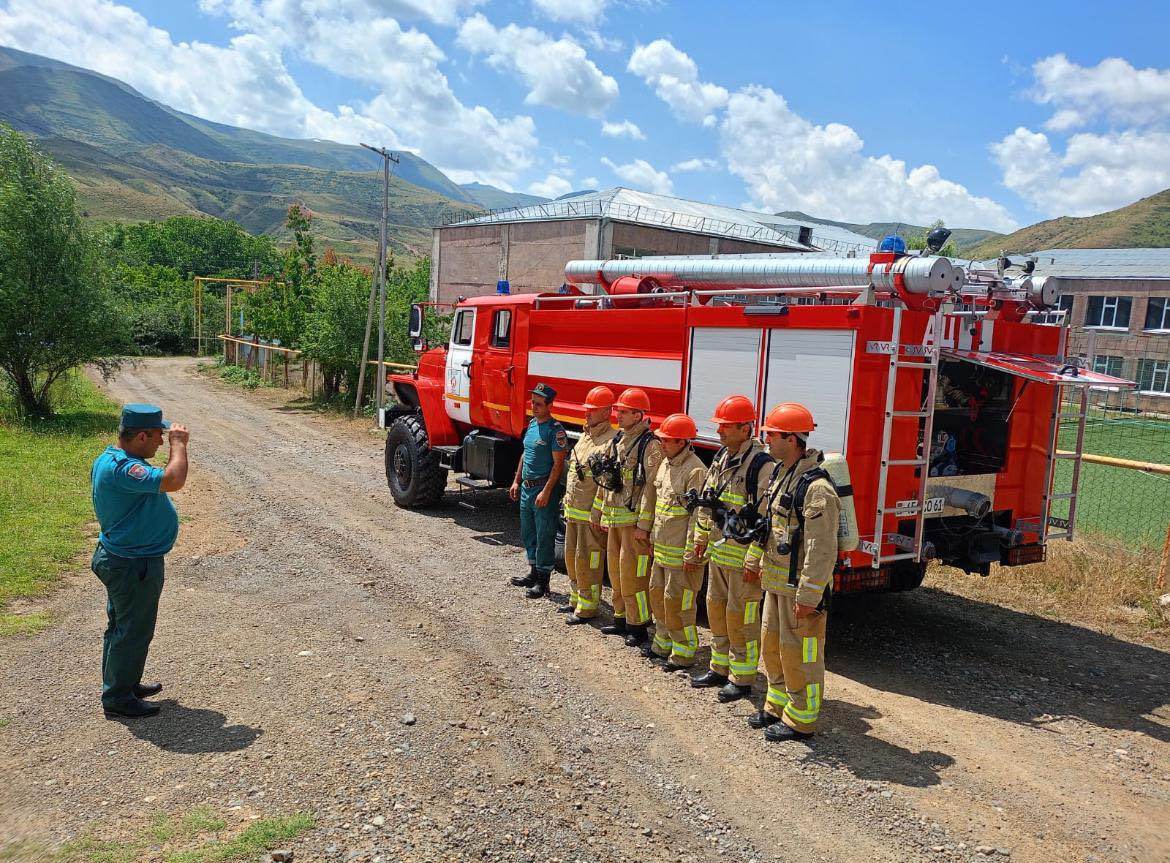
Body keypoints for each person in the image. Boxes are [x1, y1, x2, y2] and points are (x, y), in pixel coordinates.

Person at [744, 403, 840, 742]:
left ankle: (802, 720)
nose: (766, 438)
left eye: (772, 433)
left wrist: (810, 595)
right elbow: (769, 527)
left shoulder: (817, 489)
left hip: (799, 589)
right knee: (773, 645)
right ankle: (776, 706)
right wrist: (755, 559)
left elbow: (822, 549)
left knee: (801, 653)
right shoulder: (781, 474)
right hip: (776, 581)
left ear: (791, 438)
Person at [90, 403, 189, 718]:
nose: (162, 442)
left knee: (122, 626)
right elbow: (173, 479)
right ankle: (118, 697)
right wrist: (179, 445)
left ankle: (124, 683)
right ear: (143, 436)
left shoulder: (114, 460)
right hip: (132, 564)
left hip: (125, 560)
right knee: (132, 630)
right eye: (160, 436)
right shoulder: (124, 468)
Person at [688, 395, 773, 704]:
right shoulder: (723, 457)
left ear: (745, 428)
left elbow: (767, 519)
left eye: (726, 426)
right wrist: (700, 537)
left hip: (743, 561)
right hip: (719, 554)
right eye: (720, 426)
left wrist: (755, 557)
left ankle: (742, 678)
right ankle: (719, 667)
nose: (720, 431)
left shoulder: (762, 466)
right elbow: (708, 500)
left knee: (742, 619)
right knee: (716, 611)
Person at [590, 387, 664, 648]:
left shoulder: (650, 445)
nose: (618, 416)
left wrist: (644, 525)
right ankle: (621, 618)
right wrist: (597, 509)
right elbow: (604, 479)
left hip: (633, 524)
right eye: (618, 411)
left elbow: (652, 488)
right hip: (614, 520)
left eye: (624, 412)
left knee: (634, 576)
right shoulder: (618, 440)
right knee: (617, 573)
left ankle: (639, 624)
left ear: (639, 414)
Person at [639, 413, 707, 669]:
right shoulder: (667, 464)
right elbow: (659, 505)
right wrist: (650, 535)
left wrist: (692, 553)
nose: (662, 444)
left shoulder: (696, 470)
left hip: (682, 553)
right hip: (663, 549)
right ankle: (662, 644)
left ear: (681, 442)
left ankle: (683, 653)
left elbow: (699, 516)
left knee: (680, 604)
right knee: (658, 596)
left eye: (667, 440)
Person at [562, 386, 618, 624]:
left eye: (592, 410)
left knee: (588, 559)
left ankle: (588, 606)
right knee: (571, 557)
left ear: (606, 412)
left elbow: (606, 482)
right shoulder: (586, 436)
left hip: (589, 514)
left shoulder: (611, 441)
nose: (587, 414)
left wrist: (598, 510)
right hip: (574, 509)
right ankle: (576, 599)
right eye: (587, 410)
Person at [509, 383, 568, 599]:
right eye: (533, 403)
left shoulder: (556, 431)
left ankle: (544, 582)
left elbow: (558, 465)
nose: (534, 407)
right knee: (528, 531)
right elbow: (525, 455)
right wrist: (516, 481)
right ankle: (532, 573)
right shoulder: (532, 425)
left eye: (539, 404)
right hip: (527, 488)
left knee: (544, 535)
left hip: (544, 489)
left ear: (550, 405)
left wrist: (547, 491)